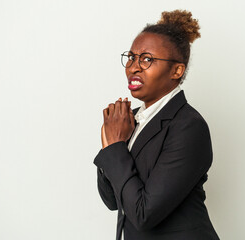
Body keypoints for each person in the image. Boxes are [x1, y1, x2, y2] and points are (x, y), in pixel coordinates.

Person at [93, 9, 220, 240]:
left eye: (147, 59)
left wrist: (115, 147)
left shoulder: (189, 127)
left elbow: (144, 214)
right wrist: (109, 144)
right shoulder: (128, 120)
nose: (133, 67)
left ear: (177, 70)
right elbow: (113, 201)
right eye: (131, 57)